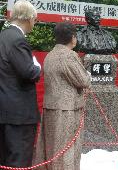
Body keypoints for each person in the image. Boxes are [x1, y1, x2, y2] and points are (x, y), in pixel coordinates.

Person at [33, 22, 91, 169]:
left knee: (51, 149)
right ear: (72, 37)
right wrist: (88, 75)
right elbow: (83, 80)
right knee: (66, 150)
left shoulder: (49, 55)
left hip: (50, 108)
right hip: (67, 111)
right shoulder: (69, 56)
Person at [0, 0, 41, 167]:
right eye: (35, 20)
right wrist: (37, 65)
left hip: (4, 111)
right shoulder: (17, 40)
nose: (34, 24)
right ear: (29, 18)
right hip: (19, 115)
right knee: (19, 161)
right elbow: (29, 73)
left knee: (4, 160)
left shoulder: (2, 36)